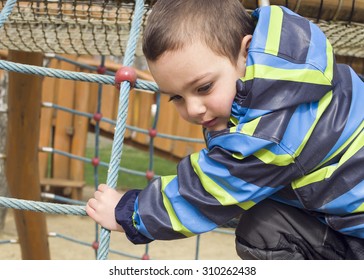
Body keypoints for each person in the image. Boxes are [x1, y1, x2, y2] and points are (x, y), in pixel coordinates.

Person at [86, 0, 364, 259]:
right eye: (177, 98)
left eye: (204, 87)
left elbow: (207, 194)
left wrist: (129, 212)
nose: (193, 109)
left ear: (245, 52)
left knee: (262, 230)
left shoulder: (269, 130)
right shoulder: (296, 72)